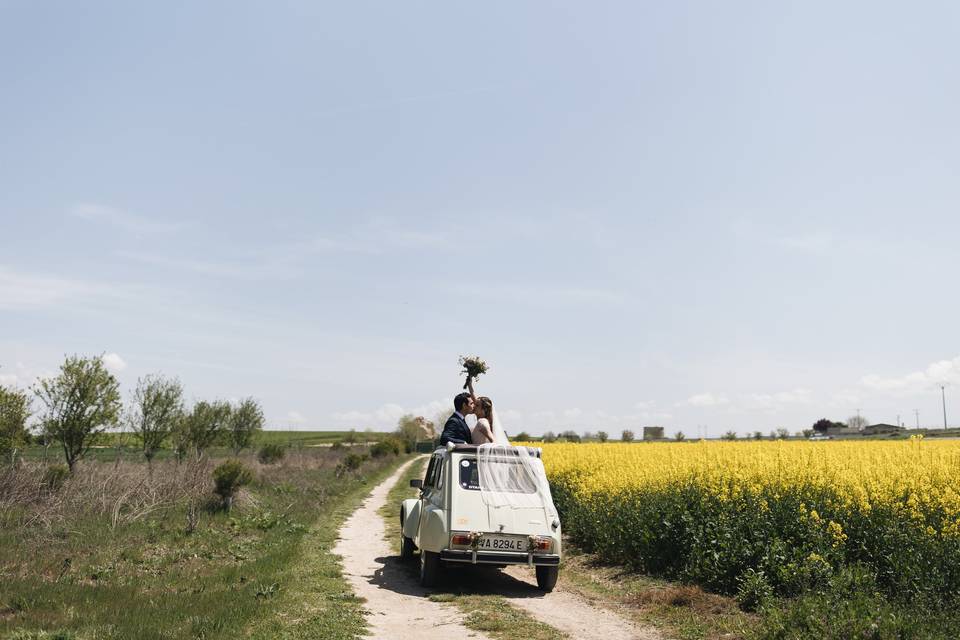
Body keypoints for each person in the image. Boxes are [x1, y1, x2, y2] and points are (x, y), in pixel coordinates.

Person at [466, 377, 495, 444]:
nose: (474, 406)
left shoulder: (482, 422)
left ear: (484, 410)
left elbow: (493, 441)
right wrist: (470, 385)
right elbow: (475, 399)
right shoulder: (484, 421)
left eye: (477, 405)